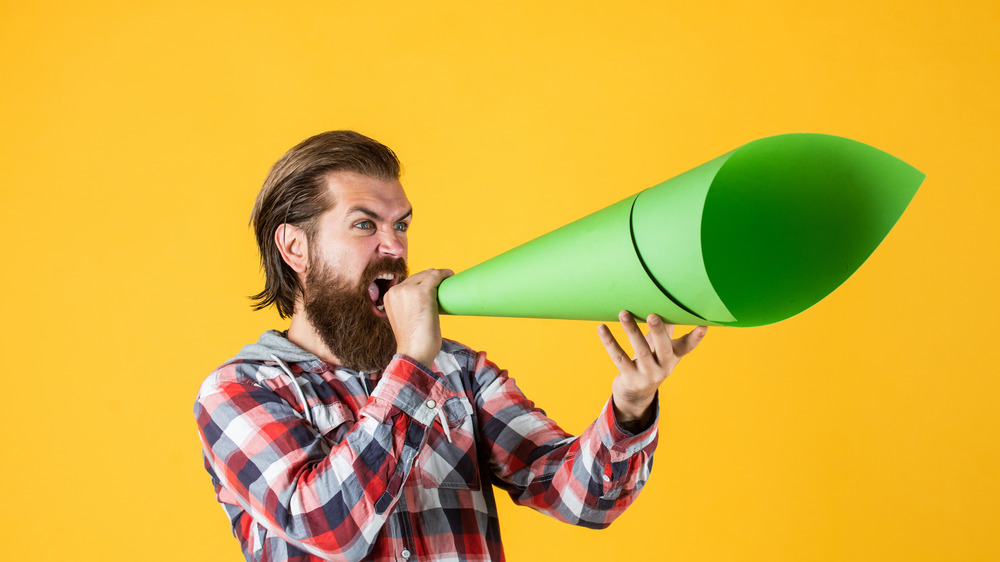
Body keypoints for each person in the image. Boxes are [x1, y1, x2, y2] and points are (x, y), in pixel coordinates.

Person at [193, 130, 708, 561]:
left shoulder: (460, 371)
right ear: (294, 247)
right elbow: (328, 527)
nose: (394, 246)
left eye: (401, 225)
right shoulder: (239, 389)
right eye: (364, 224)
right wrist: (412, 363)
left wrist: (632, 404)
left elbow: (584, 499)